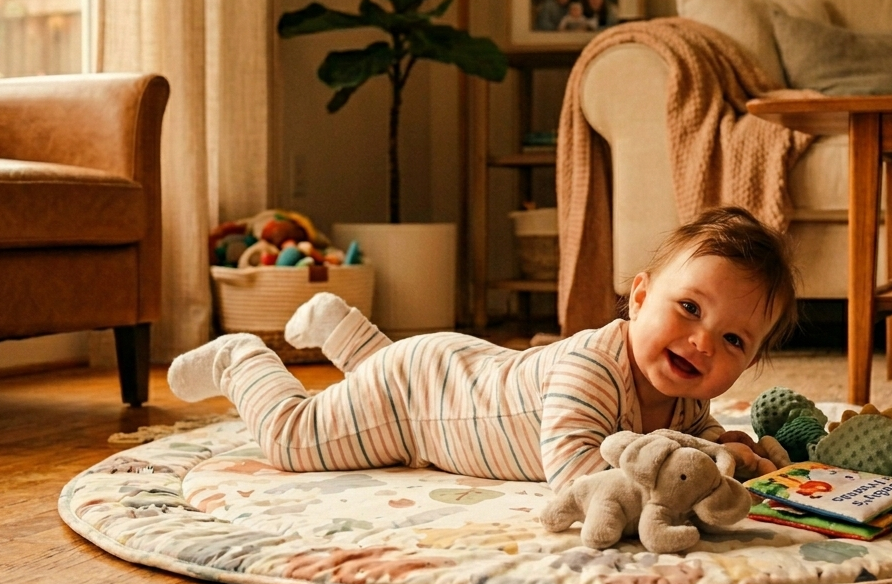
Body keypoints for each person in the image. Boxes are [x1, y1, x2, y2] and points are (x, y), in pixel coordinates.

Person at [168, 206, 799, 491]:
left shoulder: (684, 392)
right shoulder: (591, 368)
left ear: (748, 362)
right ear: (638, 298)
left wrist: (725, 445)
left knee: (386, 374)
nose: (701, 342)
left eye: (733, 339)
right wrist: (692, 474)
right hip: (416, 401)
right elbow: (575, 474)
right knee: (292, 440)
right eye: (688, 308)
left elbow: (692, 435)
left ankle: (342, 330)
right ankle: (241, 359)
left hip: (450, 373)